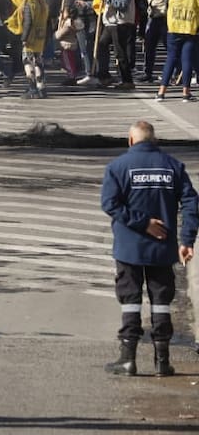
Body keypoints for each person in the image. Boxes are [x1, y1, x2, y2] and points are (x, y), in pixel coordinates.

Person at [100, 121, 197, 377]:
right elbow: (191, 203)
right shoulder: (173, 167)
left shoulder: (118, 167)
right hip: (162, 249)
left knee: (130, 300)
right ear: (154, 140)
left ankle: (128, 359)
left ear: (130, 140)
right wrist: (187, 240)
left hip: (129, 247)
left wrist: (142, 224)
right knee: (161, 301)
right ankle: (162, 361)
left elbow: (109, 204)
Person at [157, 0, 198, 102]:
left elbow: (168, 6)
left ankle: (161, 92)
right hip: (190, 28)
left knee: (171, 59)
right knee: (186, 60)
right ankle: (186, 93)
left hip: (173, 28)